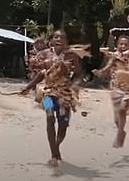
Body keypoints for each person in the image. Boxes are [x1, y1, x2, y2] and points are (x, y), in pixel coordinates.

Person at [19, 30, 83, 167]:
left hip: (65, 94)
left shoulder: (72, 56)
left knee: (63, 126)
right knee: (49, 117)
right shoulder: (44, 55)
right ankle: (54, 155)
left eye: (62, 37)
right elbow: (41, 74)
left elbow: (78, 74)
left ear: (67, 41)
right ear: (52, 40)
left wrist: (76, 87)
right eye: (56, 37)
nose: (59, 39)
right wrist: (28, 87)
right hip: (48, 92)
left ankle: (56, 146)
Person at [93, 35, 129, 148]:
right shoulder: (115, 57)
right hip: (116, 88)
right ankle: (121, 129)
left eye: (125, 44)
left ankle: (120, 133)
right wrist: (100, 72)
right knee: (117, 118)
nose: (123, 46)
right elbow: (107, 69)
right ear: (117, 46)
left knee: (122, 109)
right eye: (120, 44)